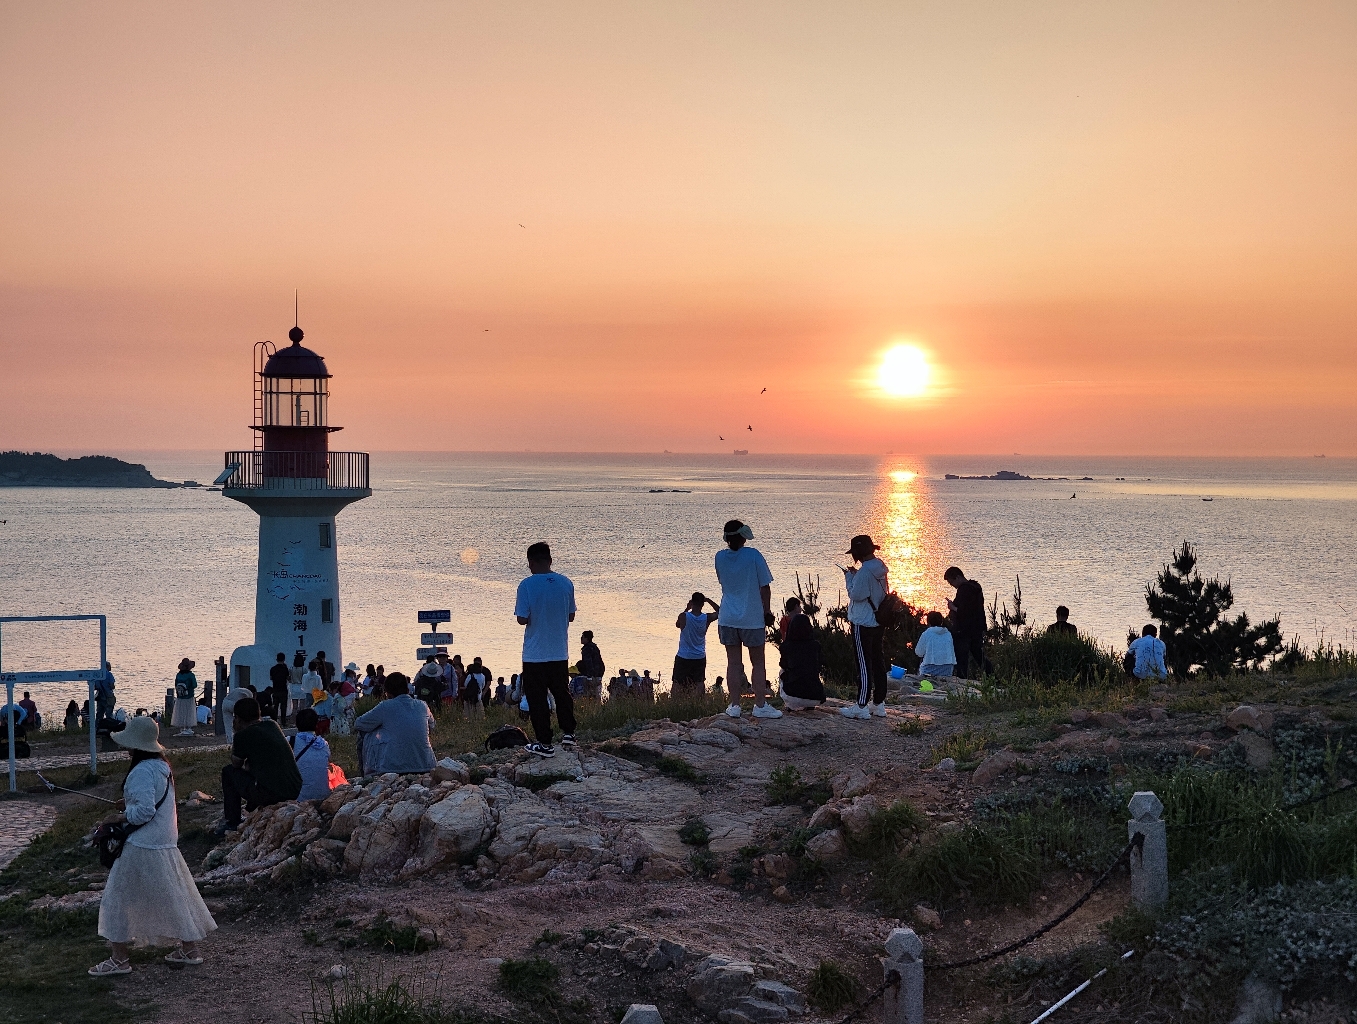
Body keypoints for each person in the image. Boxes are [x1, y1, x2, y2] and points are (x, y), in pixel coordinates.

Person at [88, 715, 216, 976]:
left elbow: (144, 812)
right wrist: (129, 804)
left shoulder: (141, 771)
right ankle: (189, 949)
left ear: (135, 746)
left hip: (142, 844)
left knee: (117, 899)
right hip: (164, 842)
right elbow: (153, 802)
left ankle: (119, 959)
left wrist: (118, 817)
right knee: (174, 897)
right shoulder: (162, 767)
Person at [514, 541, 578, 757]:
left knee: (537, 698)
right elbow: (571, 615)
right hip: (559, 651)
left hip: (535, 654)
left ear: (530, 562)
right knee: (562, 693)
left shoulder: (526, 585)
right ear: (550, 560)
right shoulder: (566, 583)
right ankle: (568, 732)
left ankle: (544, 742)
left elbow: (522, 619)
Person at [714, 519, 781, 720]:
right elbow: (765, 587)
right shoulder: (753, 555)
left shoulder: (719, 557)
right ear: (743, 537)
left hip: (727, 617)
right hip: (752, 618)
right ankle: (759, 705)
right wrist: (767, 611)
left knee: (733, 663)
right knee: (757, 662)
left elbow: (724, 582)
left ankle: (734, 705)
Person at [217, 697, 303, 836]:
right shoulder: (272, 725)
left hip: (273, 793)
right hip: (294, 787)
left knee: (228, 772)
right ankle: (252, 808)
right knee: (254, 767)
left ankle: (232, 822)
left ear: (237, 719)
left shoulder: (243, 735)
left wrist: (236, 735)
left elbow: (236, 764)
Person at [842, 534, 890, 720]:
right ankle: (878, 703)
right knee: (878, 661)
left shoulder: (864, 572)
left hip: (863, 622)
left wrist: (848, 577)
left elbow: (856, 594)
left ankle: (861, 705)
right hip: (878, 620)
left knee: (863, 663)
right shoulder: (879, 566)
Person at [354, 673, 436, 774]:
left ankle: (365, 773)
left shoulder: (385, 706)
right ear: (407, 689)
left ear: (387, 693)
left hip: (392, 768)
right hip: (426, 765)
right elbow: (432, 725)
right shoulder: (422, 705)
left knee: (363, 733)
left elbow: (358, 724)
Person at [944, 566, 987, 679]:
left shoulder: (963, 590)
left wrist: (952, 607)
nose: (951, 585)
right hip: (977, 628)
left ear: (957, 577)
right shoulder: (976, 587)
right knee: (979, 656)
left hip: (964, 630)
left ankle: (961, 681)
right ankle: (993, 678)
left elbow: (964, 611)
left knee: (961, 658)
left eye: (951, 582)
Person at [673, 592, 718, 694]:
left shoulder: (684, 616)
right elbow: (720, 612)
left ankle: (674, 703)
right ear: (702, 604)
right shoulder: (707, 618)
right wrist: (709, 600)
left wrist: (687, 608)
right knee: (699, 682)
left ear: (692, 602)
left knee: (677, 682)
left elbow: (677, 624)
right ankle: (698, 703)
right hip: (699, 655)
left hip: (683, 655)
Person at [779, 614, 826, 710]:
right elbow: (820, 665)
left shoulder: (786, 646)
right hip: (816, 696)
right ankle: (810, 705)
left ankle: (790, 705)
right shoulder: (815, 646)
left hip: (792, 695)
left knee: (782, 671)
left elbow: (783, 665)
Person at [290, 708, 333, 801]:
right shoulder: (324, 744)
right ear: (316, 724)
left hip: (301, 798)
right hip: (324, 795)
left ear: (297, 724)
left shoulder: (291, 741)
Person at [914, 611, 957, 679]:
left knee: (922, 660)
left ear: (928, 622)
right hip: (947, 669)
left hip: (930, 668)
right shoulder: (948, 634)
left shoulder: (927, 633)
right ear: (941, 622)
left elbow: (919, 652)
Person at [172, 658, 198, 737]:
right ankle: (188, 728)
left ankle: (181, 728)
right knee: (189, 711)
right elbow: (194, 685)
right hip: (189, 696)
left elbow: (176, 684)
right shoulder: (191, 675)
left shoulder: (178, 675)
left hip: (180, 697)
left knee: (180, 711)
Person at [269, 653, 291, 726]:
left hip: (275, 690)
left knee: (275, 707)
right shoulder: (285, 668)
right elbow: (288, 678)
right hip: (283, 690)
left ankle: (274, 722)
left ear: (276, 659)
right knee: (283, 707)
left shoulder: (273, 669)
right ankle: (283, 722)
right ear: (284, 659)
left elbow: (271, 678)